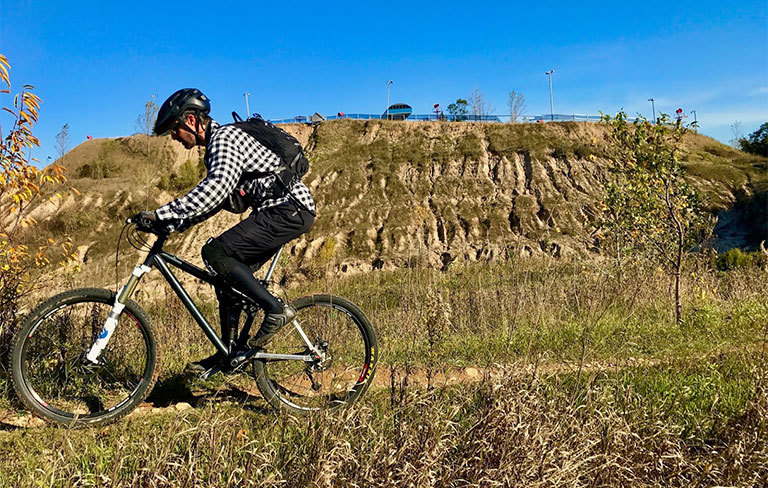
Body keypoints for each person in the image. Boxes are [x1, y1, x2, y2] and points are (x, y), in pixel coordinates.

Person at [136, 88, 316, 376]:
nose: (173, 136)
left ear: (192, 120)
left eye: (174, 128)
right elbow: (217, 202)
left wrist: (162, 214)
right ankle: (232, 355)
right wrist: (172, 224)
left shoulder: (225, 140)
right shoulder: (217, 147)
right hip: (280, 212)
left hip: (288, 209)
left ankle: (275, 309)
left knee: (215, 252)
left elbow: (216, 189)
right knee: (227, 279)